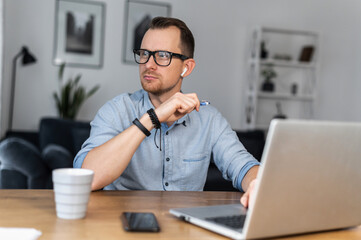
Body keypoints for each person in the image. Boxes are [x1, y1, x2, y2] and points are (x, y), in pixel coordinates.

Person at [74, 17, 259, 208]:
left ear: (186, 67)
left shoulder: (209, 119)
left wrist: (256, 184)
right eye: (144, 53)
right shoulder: (116, 110)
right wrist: (152, 118)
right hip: (125, 227)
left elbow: (243, 166)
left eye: (162, 55)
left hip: (185, 231)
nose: (148, 64)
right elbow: (87, 177)